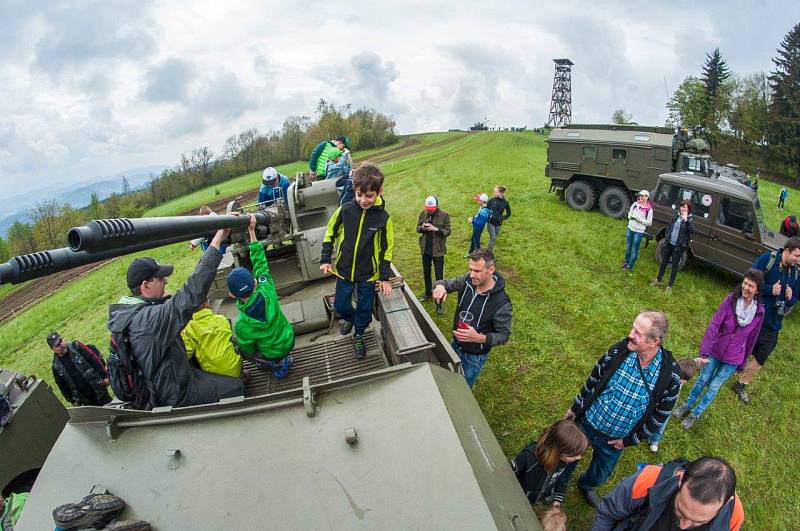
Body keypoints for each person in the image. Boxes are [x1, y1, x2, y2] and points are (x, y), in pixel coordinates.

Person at [107, 229, 244, 408]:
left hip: (170, 377)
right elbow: (191, 293)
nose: (166, 282)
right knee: (236, 387)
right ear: (145, 286)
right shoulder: (150, 320)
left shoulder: (128, 312)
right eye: (161, 279)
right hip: (175, 393)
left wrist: (163, 301)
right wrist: (217, 242)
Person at [563, 311, 681, 507]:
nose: (630, 334)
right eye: (633, 328)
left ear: (654, 341)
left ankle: (586, 485)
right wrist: (576, 408)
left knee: (600, 476)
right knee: (567, 458)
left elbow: (660, 416)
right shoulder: (620, 351)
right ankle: (558, 485)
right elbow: (593, 380)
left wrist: (630, 440)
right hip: (587, 423)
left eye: (637, 332)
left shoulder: (670, 375)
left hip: (615, 441)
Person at [674, 269, 765, 429]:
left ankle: (696, 413)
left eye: (750, 286)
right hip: (715, 351)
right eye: (744, 283)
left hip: (733, 359)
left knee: (713, 387)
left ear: (757, 290)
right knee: (702, 379)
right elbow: (714, 325)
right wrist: (704, 352)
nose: (746, 288)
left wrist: (742, 363)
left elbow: (752, 339)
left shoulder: (759, 312)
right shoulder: (731, 300)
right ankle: (687, 405)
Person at [320, 162, 394, 360]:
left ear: (379, 192)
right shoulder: (345, 210)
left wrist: (384, 278)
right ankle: (351, 320)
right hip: (344, 271)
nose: (363, 200)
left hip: (368, 275)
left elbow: (387, 250)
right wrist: (326, 259)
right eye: (359, 195)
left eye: (369, 195)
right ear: (354, 190)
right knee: (342, 307)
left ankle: (359, 334)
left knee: (364, 308)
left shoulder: (383, 218)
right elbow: (330, 234)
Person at [732, 237, 800, 404]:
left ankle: (741, 383)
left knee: (763, 353)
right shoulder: (767, 260)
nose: (798, 259)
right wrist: (771, 289)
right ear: (787, 251)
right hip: (755, 315)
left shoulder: (796, 273)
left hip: (774, 321)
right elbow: (749, 282)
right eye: (797, 255)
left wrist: (791, 298)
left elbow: (796, 298)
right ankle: (727, 367)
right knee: (742, 345)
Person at [591, 456, 744, 530]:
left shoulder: (733, 515)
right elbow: (607, 513)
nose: (684, 526)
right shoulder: (647, 480)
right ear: (681, 479)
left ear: (726, 503)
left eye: (698, 521)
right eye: (680, 510)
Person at [432, 249, 512, 388]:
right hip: (455, 344)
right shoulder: (467, 281)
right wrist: (439, 287)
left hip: (474, 356)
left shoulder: (501, 303)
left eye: (477, 271)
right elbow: (444, 283)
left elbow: (503, 336)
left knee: (462, 388)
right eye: (470, 269)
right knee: (448, 377)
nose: (472, 275)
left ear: (491, 269)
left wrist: (479, 338)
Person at [227, 215, 295, 378]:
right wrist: (251, 230)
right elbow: (260, 264)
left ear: (231, 295)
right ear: (255, 283)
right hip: (288, 340)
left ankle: (278, 364)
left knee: (245, 352)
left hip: (272, 352)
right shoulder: (267, 290)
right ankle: (283, 357)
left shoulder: (242, 324)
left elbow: (248, 348)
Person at [510, 419, 589, 508]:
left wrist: (558, 497)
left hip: (541, 494)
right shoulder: (527, 457)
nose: (579, 458)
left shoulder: (563, 461)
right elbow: (509, 475)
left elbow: (560, 476)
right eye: (574, 455)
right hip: (520, 495)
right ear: (557, 451)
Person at [180, 299, 243, 378]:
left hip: (213, 376)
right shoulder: (221, 319)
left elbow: (187, 354)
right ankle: (241, 376)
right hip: (235, 369)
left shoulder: (189, 328)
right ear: (207, 302)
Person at [47, 332, 112, 407]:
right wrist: (72, 400)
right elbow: (62, 386)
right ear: (53, 349)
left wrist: (105, 376)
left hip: (98, 387)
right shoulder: (56, 366)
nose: (62, 344)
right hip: (85, 399)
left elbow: (94, 359)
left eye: (61, 340)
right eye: (58, 345)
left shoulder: (76, 346)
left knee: (111, 408)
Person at [649, 357, 699, 452]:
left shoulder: (680, 380)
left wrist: (696, 361)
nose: (681, 381)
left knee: (663, 422)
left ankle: (654, 440)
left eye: (684, 381)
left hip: (668, 405)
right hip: (656, 400)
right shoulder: (666, 374)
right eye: (680, 378)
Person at [416, 196, 451, 313]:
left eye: (431, 208)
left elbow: (448, 231)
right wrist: (423, 228)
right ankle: (427, 294)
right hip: (425, 249)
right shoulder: (423, 213)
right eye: (427, 208)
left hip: (438, 251)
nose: (429, 210)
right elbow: (417, 229)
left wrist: (436, 229)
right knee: (426, 273)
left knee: (439, 276)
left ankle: (439, 302)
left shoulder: (444, 215)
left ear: (436, 206)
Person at [650, 200, 694, 292]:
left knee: (674, 267)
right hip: (669, 243)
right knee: (663, 263)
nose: (682, 209)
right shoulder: (676, 215)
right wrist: (667, 237)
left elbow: (692, 231)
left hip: (678, 247)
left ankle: (669, 286)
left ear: (688, 209)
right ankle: (658, 279)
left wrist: (686, 220)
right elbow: (670, 226)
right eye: (681, 207)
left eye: (685, 207)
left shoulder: (689, 220)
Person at [622, 190, 653, 272]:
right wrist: (630, 217)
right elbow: (629, 213)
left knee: (634, 248)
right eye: (640, 196)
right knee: (628, 246)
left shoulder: (649, 209)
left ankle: (630, 267)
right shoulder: (635, 204)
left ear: (647, 197)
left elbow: (649, 222)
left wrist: (641, 221)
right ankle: (626, 263)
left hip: (639, 232)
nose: (641, 198)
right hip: (630, 228)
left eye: (643, 196)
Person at [486, 186, 511, 253]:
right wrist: (487, 216)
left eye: (496, 192)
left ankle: (489, 250)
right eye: (494, 191)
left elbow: (509, 213)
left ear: (501, 193)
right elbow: (486, 209)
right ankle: (489, 253)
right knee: (493, 237)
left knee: (493, 239)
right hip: (490, 222)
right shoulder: (491, 200)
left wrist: (502, 218)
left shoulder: (505, 203)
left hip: (498, 223)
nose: (494, 193)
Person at [466, 193, 492, 257]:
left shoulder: (484, 211)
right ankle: (471, 252)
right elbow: (478, 216)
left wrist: (472, 221)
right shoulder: (482, 207)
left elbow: (480, 222)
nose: (477, 201)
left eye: (479, 200)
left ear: (482, 201)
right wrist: (474, 217)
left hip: (478, 227)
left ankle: (478, 255)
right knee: (473, 239)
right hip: (477, 226)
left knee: (476, 241)